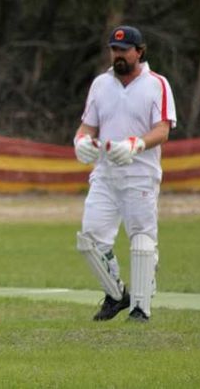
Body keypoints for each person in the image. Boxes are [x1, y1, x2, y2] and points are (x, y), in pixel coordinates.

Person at [73, 25, 176, 322]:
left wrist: (137, 143)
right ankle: (116, 294)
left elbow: (163, 129)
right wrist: (81, 141)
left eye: (124, 50)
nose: (117, 55)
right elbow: (88, 126)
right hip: (105, 173)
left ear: (139, 52)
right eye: (114, 50)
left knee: (142, 240)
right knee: (91, 239)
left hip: (140, 174)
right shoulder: (100, 84)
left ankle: (141, 308)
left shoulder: (157, 84)